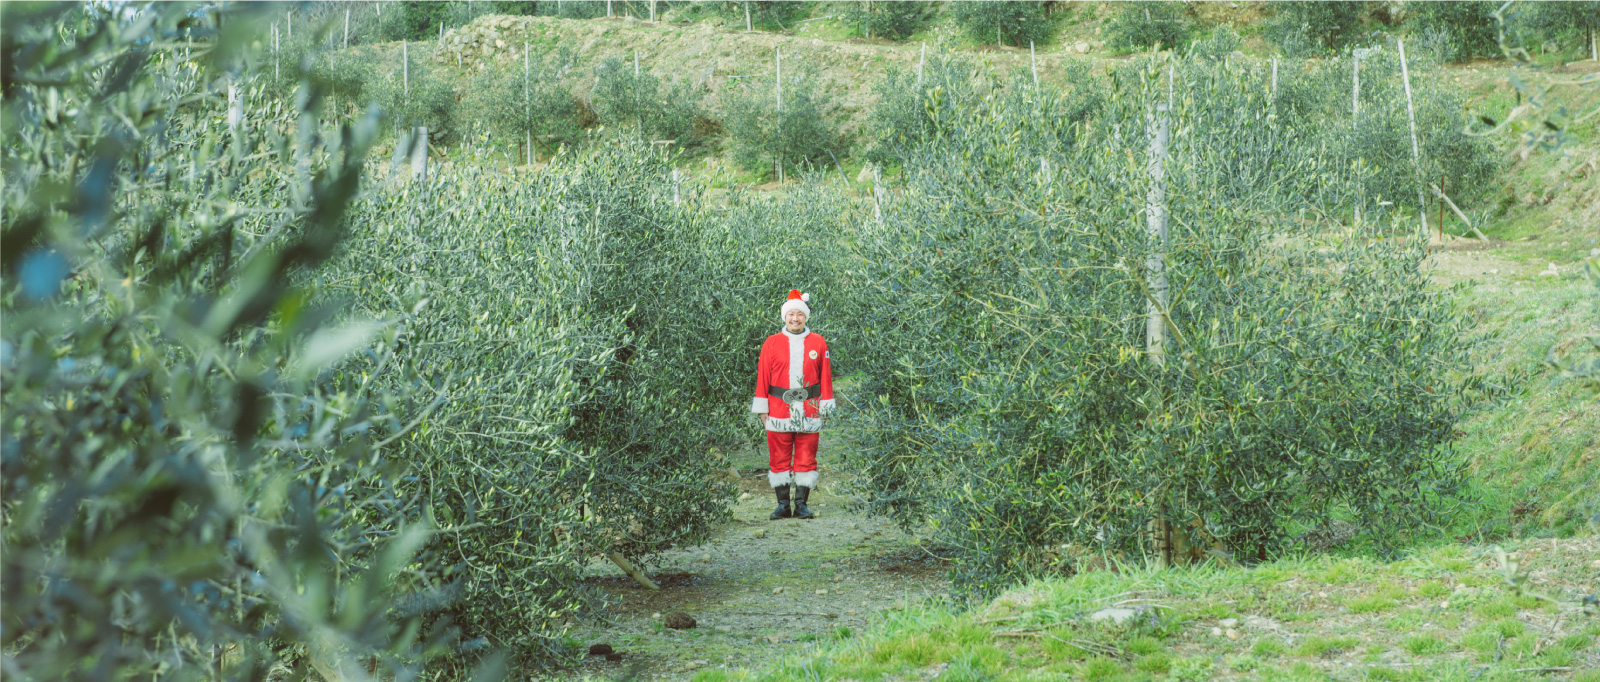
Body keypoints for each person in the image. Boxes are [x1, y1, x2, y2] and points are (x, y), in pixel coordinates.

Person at [752, 289, 835, 520]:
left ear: (806, 317)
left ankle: (801, 505)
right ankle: (782, 506)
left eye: (800, 314)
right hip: (778, 409)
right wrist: (762, 409)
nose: (795, 319)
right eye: (791, 314)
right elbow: (762, 378)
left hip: (810, 409)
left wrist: (825, 408)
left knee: (806, 457)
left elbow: (825, 377)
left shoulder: (818, 342)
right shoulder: (771, 343)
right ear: (784, 317)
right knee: (779, 457)